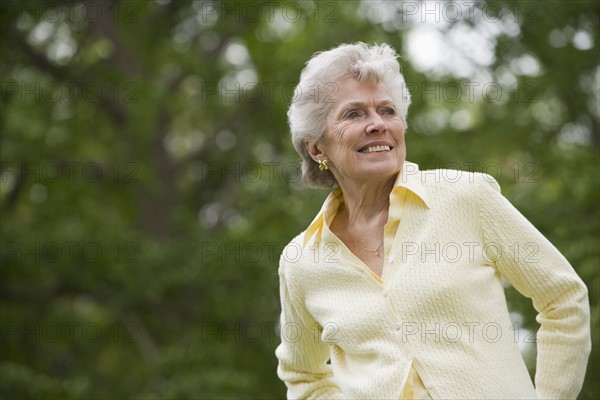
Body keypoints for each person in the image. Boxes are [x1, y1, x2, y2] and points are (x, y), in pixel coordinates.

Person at [275, 42, 591, 399]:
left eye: (387, 110)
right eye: (354, 114)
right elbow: (304, 378)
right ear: (317, 148)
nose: (377, 124)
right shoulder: (302, 262)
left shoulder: (466, 197)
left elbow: (562, 299)